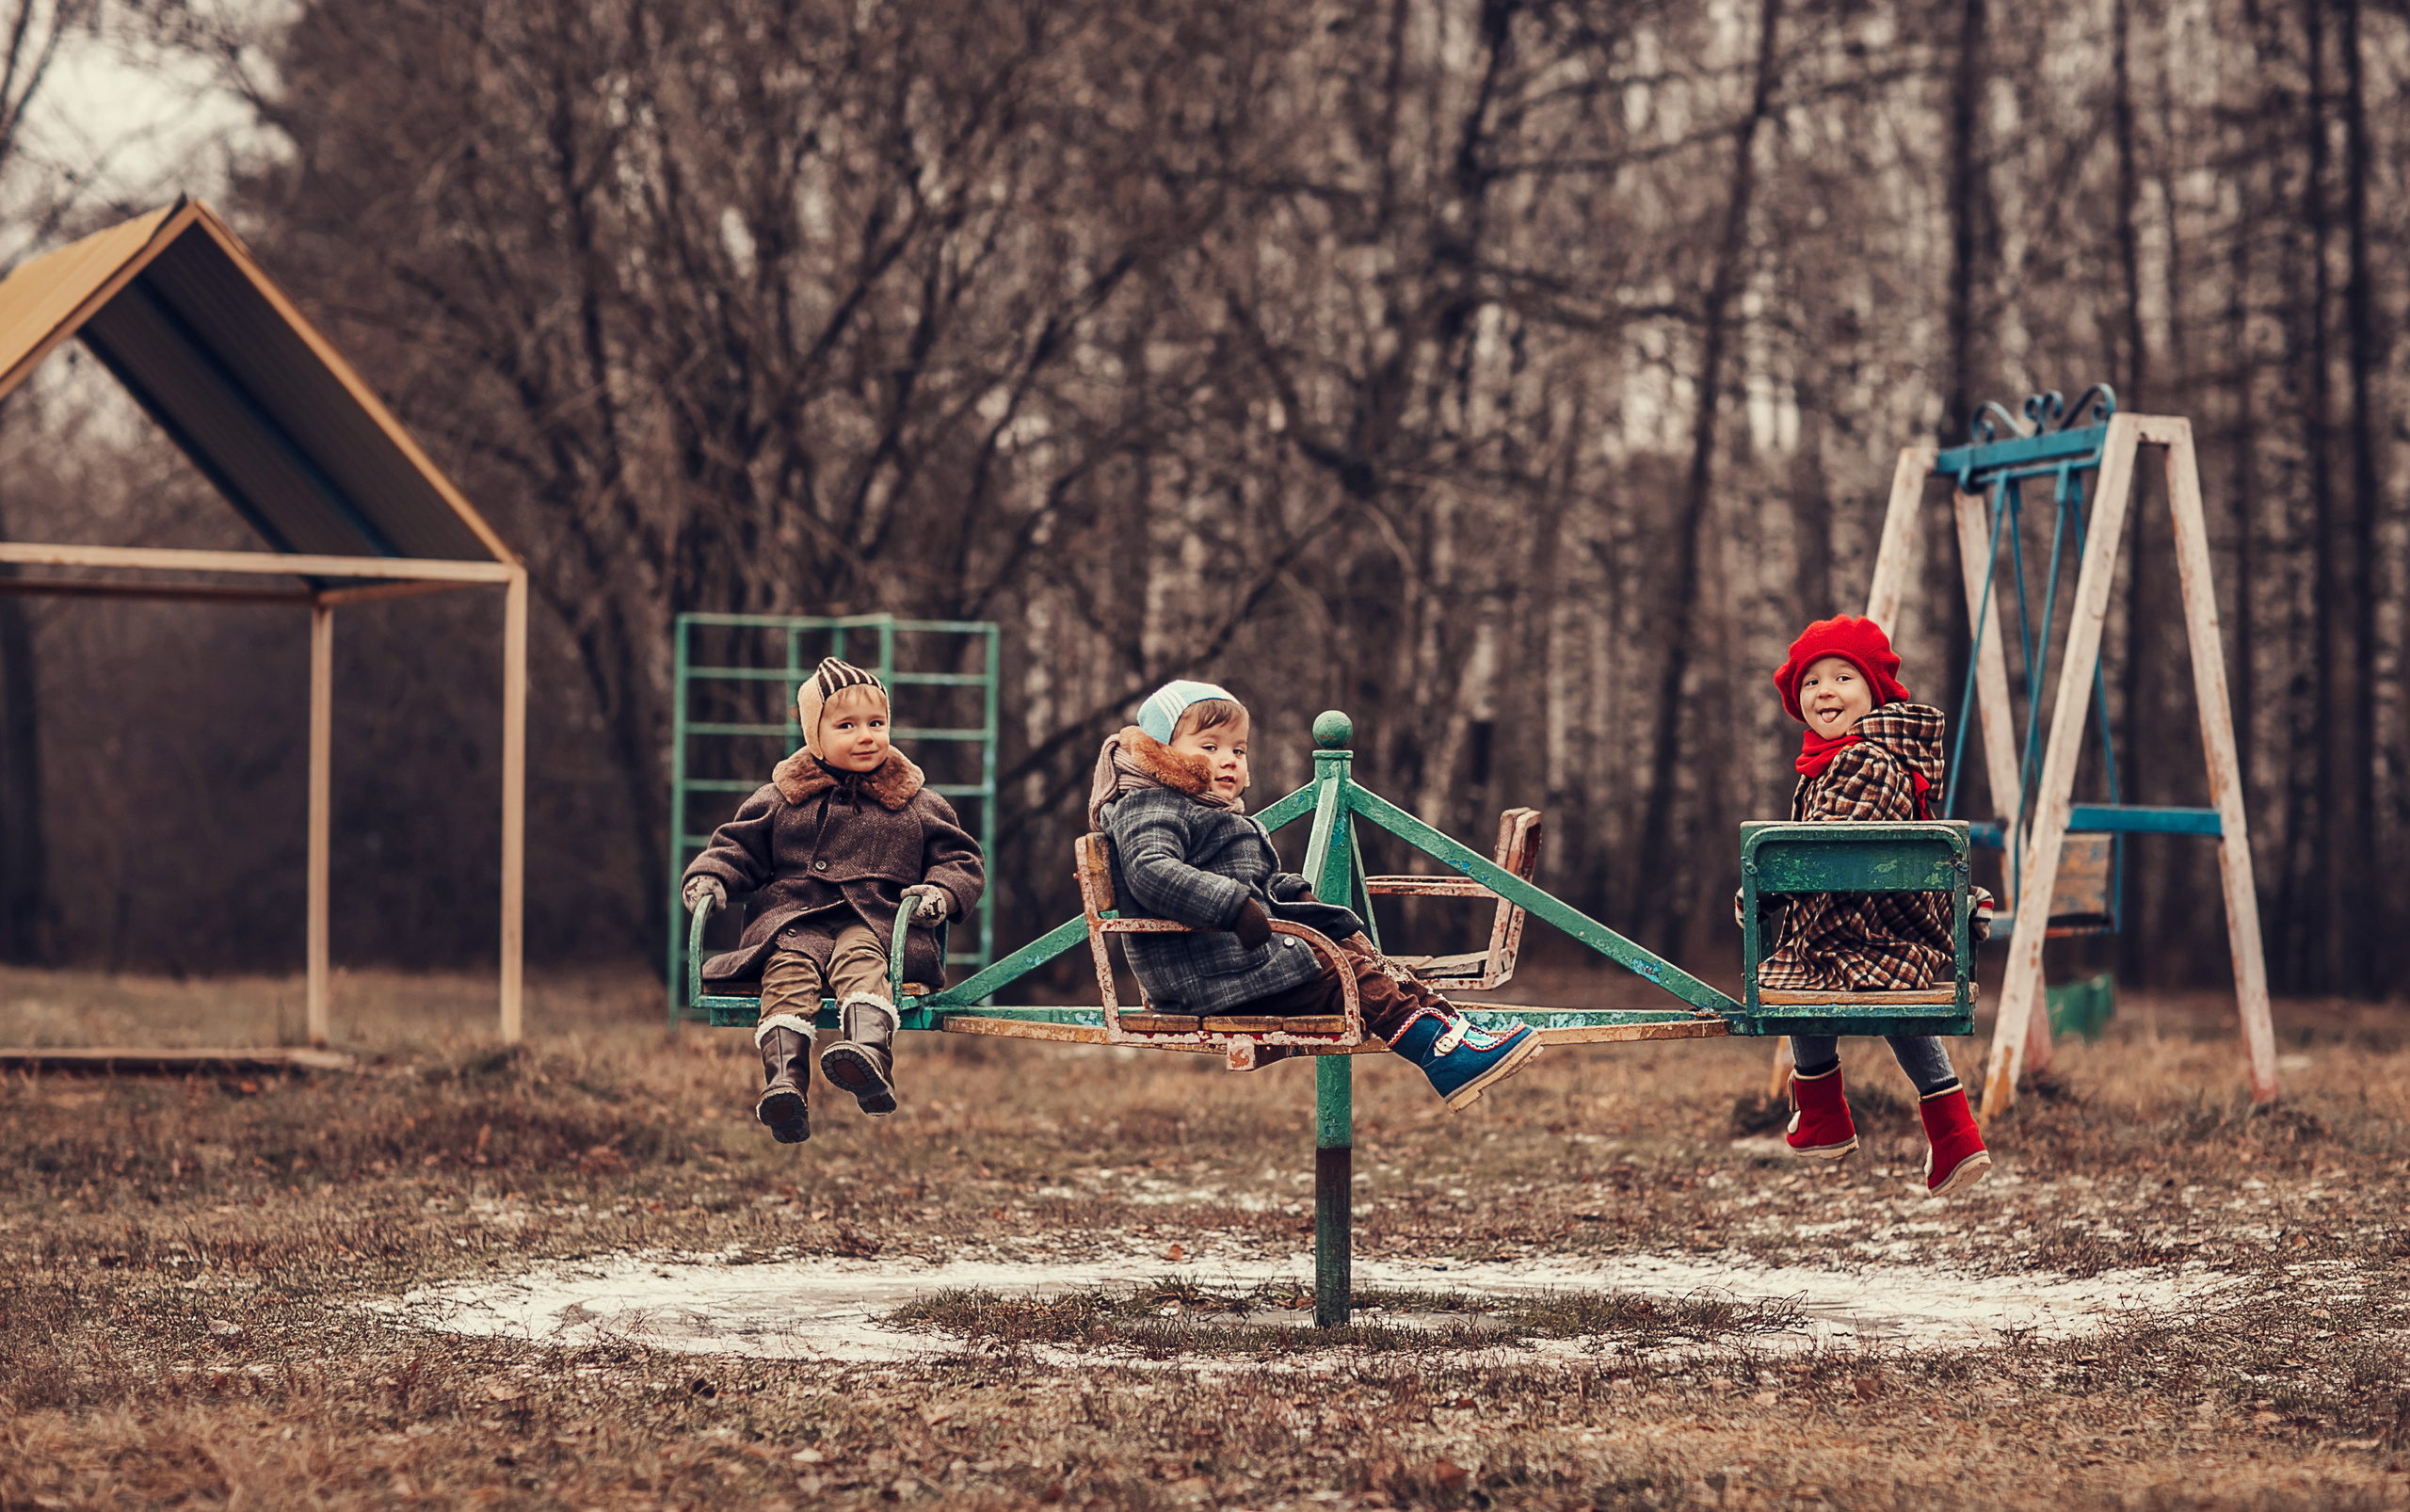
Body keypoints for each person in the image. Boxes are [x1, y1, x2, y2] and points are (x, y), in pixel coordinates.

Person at [1088, 680, 1542, 1109]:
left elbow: (1253, 882)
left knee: (1363, 958)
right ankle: (1438, 1053)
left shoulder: (1204, 809)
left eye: (1238, 750)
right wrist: (1231, 904)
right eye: (1210, 747)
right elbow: (1151, 871)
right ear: (1161, 753)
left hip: (1236, 961)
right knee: (1345, 973)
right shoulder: (1150, 805)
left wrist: (1292, 893)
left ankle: (1458, 1037)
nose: (1229, 760)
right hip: (1209, 976)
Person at [682, 658, 985, 1142]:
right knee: (786, 973)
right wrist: (711, 877)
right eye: (847, 726)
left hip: (875, 920)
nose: (866, 736)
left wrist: (941, 893)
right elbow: (737, 848)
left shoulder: (915, 802)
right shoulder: (782, 798)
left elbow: (960, 858)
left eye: (876, 723)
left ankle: (868, 1056)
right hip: (793, 921)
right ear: (814, 735)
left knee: (861, 958)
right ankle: (785, 1085)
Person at [1755, 616, 1993, 1196]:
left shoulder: (1864, 760)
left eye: (1843, 678)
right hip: (1886, 935)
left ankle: (1822, 1110)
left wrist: (1764, 886)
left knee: (1796, 969)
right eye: (1812, 683)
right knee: (1883, 999)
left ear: (1875, 691)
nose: (1825, 692)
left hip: (1868, 933)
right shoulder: (1870, 756)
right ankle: (1954, 1135)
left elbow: (1826, 849)